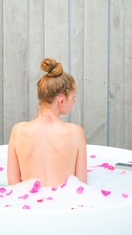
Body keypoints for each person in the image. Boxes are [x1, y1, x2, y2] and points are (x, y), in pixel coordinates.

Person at [7, 58, 88, 187]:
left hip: (28, 203)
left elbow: (13, 184)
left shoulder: (18, 131)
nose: (74, 101)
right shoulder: (76, 132)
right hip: (64, 203)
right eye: (73, 97)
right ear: (61, 101)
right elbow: (82, 184)